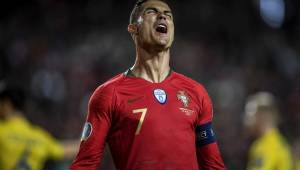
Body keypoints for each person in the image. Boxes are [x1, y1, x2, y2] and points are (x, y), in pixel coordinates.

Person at [70, 0, 226, 169]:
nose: (162, 16)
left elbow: (213, 166)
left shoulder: (196, 92)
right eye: (151, 12)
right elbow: (85, 164)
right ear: (133, 29)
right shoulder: (109, 94)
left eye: (168, 15)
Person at [0, 84, 79, 170]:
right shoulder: (39, 136)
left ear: (7, 104)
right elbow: (66, 150)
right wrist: (93, 139)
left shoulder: (2, 130)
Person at [243, 92, 292, 170]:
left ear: (262, 116)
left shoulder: (265, 146)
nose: (247, 121)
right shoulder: (279, 142)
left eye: (250, 115)